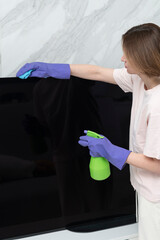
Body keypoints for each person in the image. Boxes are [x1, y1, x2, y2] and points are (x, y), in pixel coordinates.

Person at [16, 22, 160, 240]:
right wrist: (56, 68)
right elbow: (98, 72)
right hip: (147, 188)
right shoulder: (140, 80)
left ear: (144, 58)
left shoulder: (157, 106)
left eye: (127, 54)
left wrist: (114, 152)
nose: (122, 59)